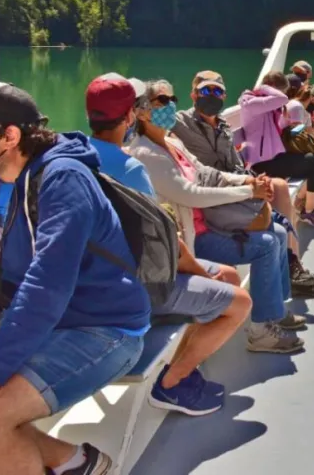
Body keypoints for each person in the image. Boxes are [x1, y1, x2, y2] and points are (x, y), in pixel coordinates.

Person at [0, 81, 150, 475]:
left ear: (8, 136)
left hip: (104, 329)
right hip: (44, 326)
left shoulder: (63, 181)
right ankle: (75, 461)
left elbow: (46, 289)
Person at [86, 73, 252, 415]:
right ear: (133, 115)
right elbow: (165, 244)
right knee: (238, 301)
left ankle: (184, 368)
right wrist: (197, 271)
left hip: (105, 275)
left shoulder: (81, 158)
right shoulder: (131, 168)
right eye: (159, 103)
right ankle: (171, 385)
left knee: (228, 276)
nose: (168, 108)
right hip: (135, 285)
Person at [129, 79, 304, 354]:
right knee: (267, 245)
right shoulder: (146, 154)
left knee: (279, 233)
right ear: (141, 111)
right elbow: (190, 194)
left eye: (172, 100)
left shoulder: (173, 143)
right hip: (192, 240)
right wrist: (247, 192)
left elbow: (208, 174)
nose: (170, 106)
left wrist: (249, 181)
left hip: (210, 224)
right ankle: (260, 331)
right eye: (162, 101)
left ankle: (274, 312)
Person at [171, 70, 314, 297]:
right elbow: (151, 121)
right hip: (215, 194)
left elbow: (235, 164)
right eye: (205, 90)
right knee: (274, 225)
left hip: (236, 185)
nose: (212, 96)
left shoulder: (223, 127)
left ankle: (292, 267)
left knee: (278, 187)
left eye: (217, 91)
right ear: (193, 94)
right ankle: (288, 272)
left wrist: (252, 180)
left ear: (224, 96)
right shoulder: (180, 122)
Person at [236, 71, 314, 227]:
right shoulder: (251, 103)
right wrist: (263, 87)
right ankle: (309, 212)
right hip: (263, 163)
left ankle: (306, 206)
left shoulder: (268, 106)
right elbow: (282, 99)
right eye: (281, 90)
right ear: (272, 89)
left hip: (276, 157)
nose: (283, 95)